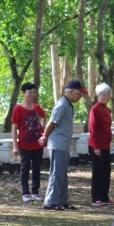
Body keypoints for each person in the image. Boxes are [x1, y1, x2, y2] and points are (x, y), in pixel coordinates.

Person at [38, 79, 87, 211]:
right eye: (79, 94)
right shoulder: (61, 105)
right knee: (56, 173)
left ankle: (62, 200)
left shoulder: (67, 104)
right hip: (57, 143)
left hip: (63, 144)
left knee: (62, 174)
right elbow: (52, 122)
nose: (80, 96)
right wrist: (45, 136)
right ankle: (51, 201)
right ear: (71, 91)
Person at [11, 82, 46, 202]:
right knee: (25, 168)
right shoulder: (18, 109)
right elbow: (14, 128)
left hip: (38, 143)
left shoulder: (37, 107)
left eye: (34, 92)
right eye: (29, 92)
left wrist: (43, 128)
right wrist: (15, 145)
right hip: (24, 144)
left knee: (37, 168)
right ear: (23, 93)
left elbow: (44, 115)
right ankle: (25, 192)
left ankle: (35, 192)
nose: (32, 94)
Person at [88, 83, 113, 207]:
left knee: (106, 171)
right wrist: (96, 146)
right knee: (97, 171)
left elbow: (107, 126)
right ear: (98, 95)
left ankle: (104, 196)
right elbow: (92, 128)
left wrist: (111, 135)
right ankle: (96, 197)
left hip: (106, 144)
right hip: (96, 145)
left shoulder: (107, 110)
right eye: (104, 95)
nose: (106, 97)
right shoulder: (95, 109)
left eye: (108, 95)